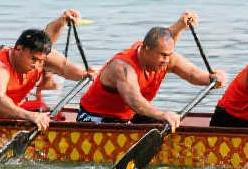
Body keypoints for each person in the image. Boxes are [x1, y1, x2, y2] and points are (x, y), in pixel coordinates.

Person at [76, 12, 228, 126]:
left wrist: (213, 78)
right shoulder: (122, 67)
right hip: (94, 117)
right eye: (162, 55)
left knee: (164, 125)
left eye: (169, 55)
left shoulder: (164, 57)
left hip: (128, 116)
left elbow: (193, 74)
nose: (166, 60)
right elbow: (134, 100)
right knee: (160, 118)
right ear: (146, 49)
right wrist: (162, 114)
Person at [0, 12, 93, 129]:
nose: (37, 65)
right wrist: (30, 116)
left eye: (41, 61)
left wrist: (88, 74)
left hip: (4, 116)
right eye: (33, 59)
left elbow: (65, 67)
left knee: (45, 109)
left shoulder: (40, 57)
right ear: (18, 49)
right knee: (36, 113)